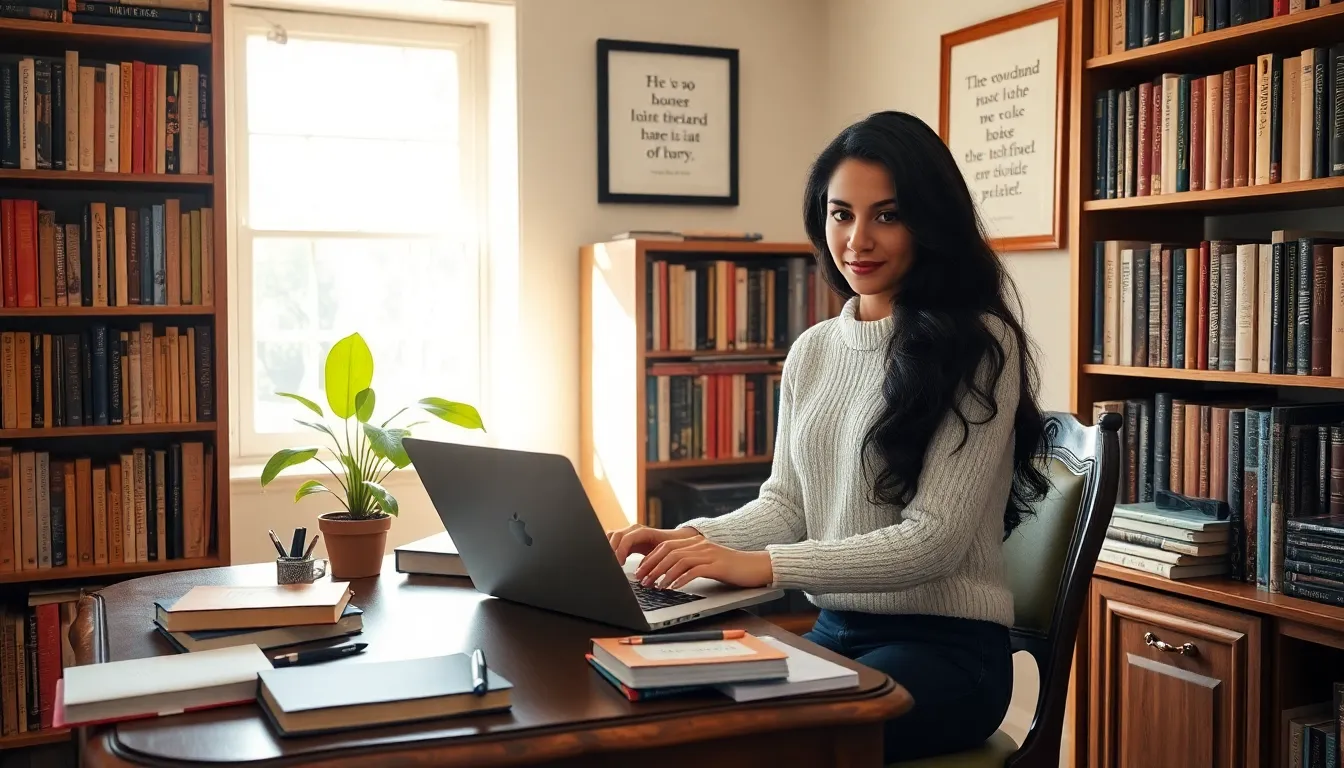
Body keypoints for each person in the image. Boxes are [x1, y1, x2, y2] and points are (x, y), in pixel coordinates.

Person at [606, 109, 1052, 763]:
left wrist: (764, 566)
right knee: (677, 719)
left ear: (929, 222)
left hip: (949, 653)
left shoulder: (979, 346)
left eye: (887, 215)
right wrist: (690, 541)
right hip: (837, 632)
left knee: (769, 745)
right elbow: (786, 505)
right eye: (841, 214)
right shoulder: (814, 350)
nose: (858, 240)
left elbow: (933, 541)